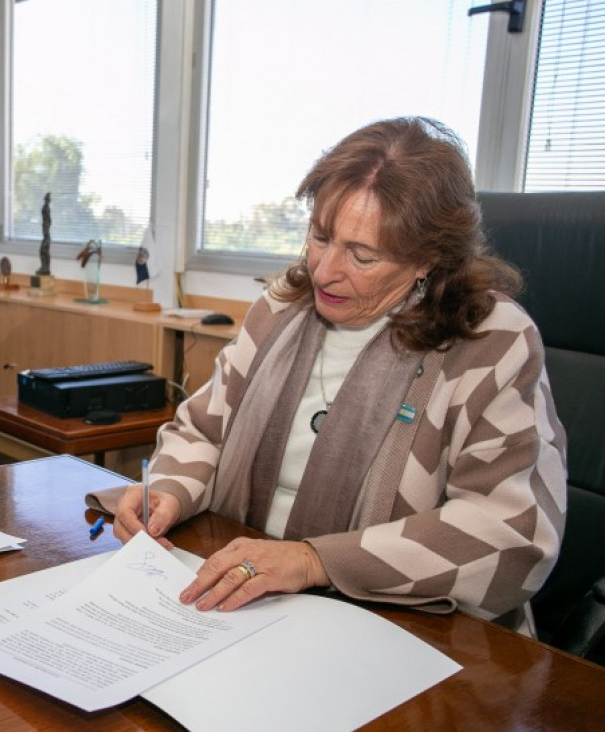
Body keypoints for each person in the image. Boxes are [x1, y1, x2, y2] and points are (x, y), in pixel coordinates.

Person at [112, 117, 566, 634]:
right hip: (245, 604)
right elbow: (205, 430)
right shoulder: (282, 305)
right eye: (320, 237)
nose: (325, 271)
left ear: (429, 259)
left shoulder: (492, 341)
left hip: (410, 631)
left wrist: (313, 561)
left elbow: (511, 533)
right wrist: (168, 491)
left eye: (362, 255)